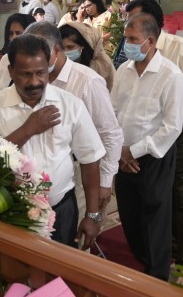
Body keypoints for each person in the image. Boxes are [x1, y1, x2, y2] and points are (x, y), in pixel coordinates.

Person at [0, 34, 106, 247]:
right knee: (14, 266)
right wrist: (28, 129)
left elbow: (90, 159)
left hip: (62, 208)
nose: (34, 82)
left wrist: (92, 215)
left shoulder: (70, 104)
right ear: (11, 71)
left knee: (61, 265)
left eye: (40, 73)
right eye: (25, 74)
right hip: (10, 211)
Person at [124, 0, 183, 263]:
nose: (129, 26)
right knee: (154, 195)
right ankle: (159, 251)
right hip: (148, 130)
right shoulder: (132, 53)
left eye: (136, 20)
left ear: (152, 24)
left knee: (182, 195)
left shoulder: (181, 48)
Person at [110, 13, 183, 279]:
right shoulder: (124, 70)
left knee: (155, 216)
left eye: (133, 39)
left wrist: (133, 151)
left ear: (151, 41)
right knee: (129, 213)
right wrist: (120, 150)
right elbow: (113, 111)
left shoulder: (171, 75)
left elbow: (172, 126)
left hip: (154, 156)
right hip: (122, 154)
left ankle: (158, 276)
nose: (127, 45)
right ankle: (144, 259)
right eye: (126, 39)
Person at [26, 22, 123, 216]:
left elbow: (110, 134)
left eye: (39, 55)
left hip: (81, 171)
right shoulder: (34, 79)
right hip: (41, 171)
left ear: (56, 50)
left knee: (77, 228)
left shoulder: (87, 81)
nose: (34, 61)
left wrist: (105, 181)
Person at [58, 20, 115, 91]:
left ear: (83, 47)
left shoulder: (102, 67)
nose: (65, 52)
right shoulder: (55, 64)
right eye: (61, 47)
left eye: (70, 47)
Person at [0, 13, 35, 91]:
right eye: (11, 33)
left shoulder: (37, 62)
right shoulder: (6, 59)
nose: (13, 38)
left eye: (18, 33)